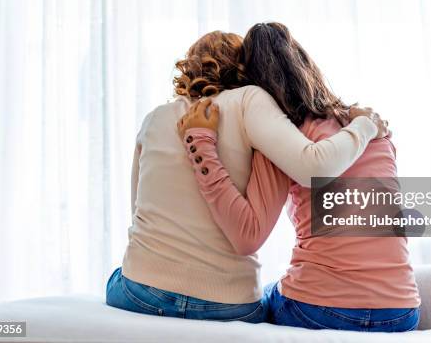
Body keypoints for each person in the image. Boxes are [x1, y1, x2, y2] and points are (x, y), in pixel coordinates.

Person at [106, 30, 387, 323]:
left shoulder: (154, 118)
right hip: (229, 304)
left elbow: (138, 212)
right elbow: (312, 168)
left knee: (119, 275)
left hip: (142, 291)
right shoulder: (250, 101)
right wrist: (364, 125)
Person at [177, 22, 420, 331]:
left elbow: (247, 235)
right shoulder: (374, 130)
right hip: (401, 311)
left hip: (319, 308)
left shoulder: (284, 139)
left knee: (258, 299)